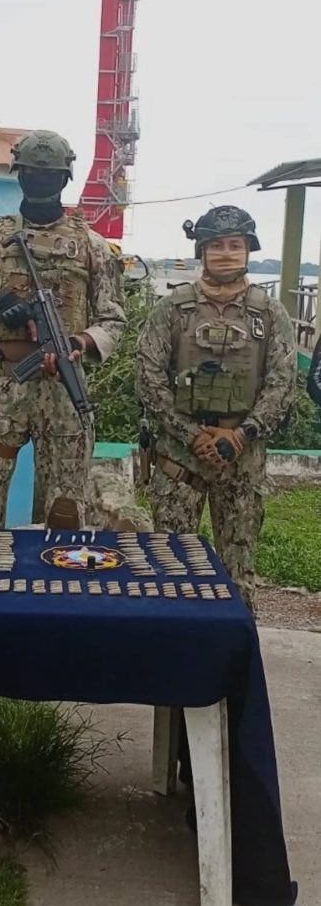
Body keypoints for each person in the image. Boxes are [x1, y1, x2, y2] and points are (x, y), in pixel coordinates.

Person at [0, 129, 126, 530]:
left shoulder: (92, 247)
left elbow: (113, 319)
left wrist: (78, 341)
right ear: (18, 174)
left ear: (65, 178)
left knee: (65, 512)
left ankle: (57, 590)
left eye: (50, 174)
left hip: (64, 387)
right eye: (32, 172)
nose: (41, 180)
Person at [136, 205, 295, 612]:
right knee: (170, 570)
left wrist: (241, 435)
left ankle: (232, 666)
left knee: (237, 574)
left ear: (248, 250)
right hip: (179, 458)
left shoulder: (270, 313)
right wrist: (193, 436)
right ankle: (168, 657)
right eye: (216, 245)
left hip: (241, 457)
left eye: (235, 245)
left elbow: (282, 383)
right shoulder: (171, 309)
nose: (226, 253)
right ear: (201, 251)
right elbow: (148, 379)